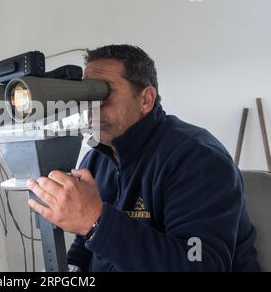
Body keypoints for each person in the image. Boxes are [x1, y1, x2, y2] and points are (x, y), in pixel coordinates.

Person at [27, 44, 260, 271]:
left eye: (102, 91)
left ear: (146, 100)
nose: (92, 106)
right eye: (86, 94)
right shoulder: (95, 160)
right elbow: (86, 246)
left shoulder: (197, 158)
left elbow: (200, 263)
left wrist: (96, 221)